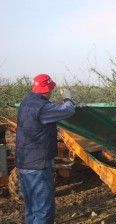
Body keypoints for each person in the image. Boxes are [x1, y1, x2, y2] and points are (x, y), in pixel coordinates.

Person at [15, 74, 75, 224]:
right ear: (48, 89)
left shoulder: (27, 102)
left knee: (32, 209)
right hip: (38, 165)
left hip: (25, 162)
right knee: (44, 211)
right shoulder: (43, 108)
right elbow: (68, 111)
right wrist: (68, 99)